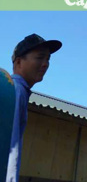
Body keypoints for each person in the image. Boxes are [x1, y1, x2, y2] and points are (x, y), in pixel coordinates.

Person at [6, 34, 61, 182]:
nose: (45, 64)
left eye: (48, 59)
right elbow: (11, 147)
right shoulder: (16, 91)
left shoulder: (13, 88)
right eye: (39, 58)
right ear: (18, 62)